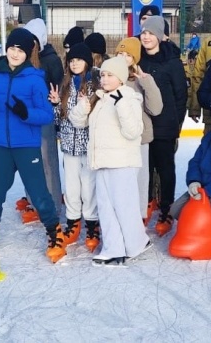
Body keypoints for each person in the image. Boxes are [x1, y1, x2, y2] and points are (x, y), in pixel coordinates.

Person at [0, 28, 67, 263]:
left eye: (20, 50)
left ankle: (55, 232)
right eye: (12, 48)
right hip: (2, 145)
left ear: (28, 53)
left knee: (39, 192)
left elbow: (46, 115)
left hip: (27, 146)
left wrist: (26, 113)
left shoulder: (35, 78)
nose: (14, 53)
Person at [69, 56, 150, 267]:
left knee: (124, 207)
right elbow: (78, 123)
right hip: (102, 162)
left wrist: (122, 105)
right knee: (105, 207)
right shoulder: (99, 99)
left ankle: (137, 243)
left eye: (110, 75)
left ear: (121, 78)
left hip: (122, 162)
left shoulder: (129, 98)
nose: (104, 79)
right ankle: (113, 248)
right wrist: (82, 108)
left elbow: (133, 132)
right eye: (102, 75)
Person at [137, 16, 188, 236]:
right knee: (145, 169)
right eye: (144, 33)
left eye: (150, 33)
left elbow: (180, 96)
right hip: (143, 126)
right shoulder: (138, 59)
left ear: (159, 36)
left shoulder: (172, 62)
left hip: (165, 126)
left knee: (165, 169)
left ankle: (166, 208)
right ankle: (147, 203)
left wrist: (175, 124)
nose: (146, 36)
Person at [49, 42, 99, 250]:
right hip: (69, 145)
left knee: (88, 187)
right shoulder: (65, 85)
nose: (75, 63)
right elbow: (58, 120)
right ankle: (72, 222)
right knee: (71, 187)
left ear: (87, 61)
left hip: (88, 147)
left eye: (79, 60)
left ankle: (92, 224)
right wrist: (54, 105)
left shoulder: (94, 85)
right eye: (72, 60)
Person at [114, 37, 163, 228]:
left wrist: (147, 83)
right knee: (119, 182)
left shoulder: (141, 80)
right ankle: (119, 216)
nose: (124, 58)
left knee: (139, 180)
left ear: (135, 59)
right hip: (116, 139)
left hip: (139, 138)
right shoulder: (108, 77)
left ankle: (139, 216)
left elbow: (156, 109)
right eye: (120, 53)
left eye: (128, 55)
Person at [20, 18, 64, 222]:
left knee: (47, 161)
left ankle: (53, 203)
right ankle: (33, 202)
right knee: (30, 161)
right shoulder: (23, 59)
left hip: (43, 118)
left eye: (32, 40)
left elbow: (56, 89)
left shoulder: (51, 60)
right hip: (26, 118)